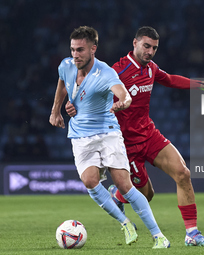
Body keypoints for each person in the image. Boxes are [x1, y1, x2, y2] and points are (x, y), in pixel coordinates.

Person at [66, 26, 204, 247]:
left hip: (148, 134)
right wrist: (73, 107)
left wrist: (202, 84)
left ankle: (192, 234)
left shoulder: (151, 68)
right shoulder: (117, 71)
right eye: (146, 46)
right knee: (146, 195)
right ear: (134, 43)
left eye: (154, 48)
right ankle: (118, 196)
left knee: (183, 173)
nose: (150, 52)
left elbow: (170, 80)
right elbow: (87, 90)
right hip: (125, 144)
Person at [49, 26, 170, 249]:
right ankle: (125, 223)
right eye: (73, 50)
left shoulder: (105, 73)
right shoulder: (66, 65)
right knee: (89, 181)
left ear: (93, 49)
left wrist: (123, 102)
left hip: (107, 133)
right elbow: (62, 83)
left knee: (124, 185)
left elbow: (123, 93)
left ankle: (159, 236)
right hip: (80, 136)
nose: (75, 55)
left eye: (81, 50)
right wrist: (56, 110)